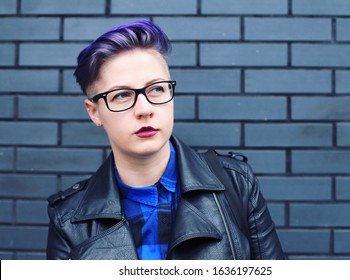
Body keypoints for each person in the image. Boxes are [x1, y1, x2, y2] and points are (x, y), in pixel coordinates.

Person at [46, 19, 285, 260]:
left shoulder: (236, 184)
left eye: (157, 89)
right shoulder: (69, 218)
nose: (144, 109)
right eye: (121, 95)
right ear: (94, 112)